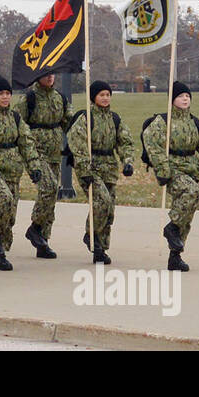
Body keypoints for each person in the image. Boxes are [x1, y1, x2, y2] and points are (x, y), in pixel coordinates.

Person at [140, 81, 199, 272]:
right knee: (193, 192)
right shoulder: (162, 122)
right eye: (181, 96)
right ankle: (171, 227)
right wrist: (163, 170)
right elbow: (152, 145)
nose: (185, 99)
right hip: (172, 170)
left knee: (186, 214)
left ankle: (175, 256)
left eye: (187, 96)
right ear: (172, 100)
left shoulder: (195, 123)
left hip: (191, 169)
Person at [0, 74, 40, 271]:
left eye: (7, 94)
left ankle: (0, 253)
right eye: (0, 94)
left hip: (13, 171)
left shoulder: (16, 118)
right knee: (3, 200)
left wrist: (34, 166)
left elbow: (26, 142)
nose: (5, 97)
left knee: (10, 213)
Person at [66, 81, 134, 264]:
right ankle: (91, 234)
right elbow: (77, 144)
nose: (105, 98)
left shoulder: (115, 119)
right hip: (91, 168)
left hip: (109, 168)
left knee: (109, 209)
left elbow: (125, 142)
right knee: (102, 201)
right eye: (101, 95)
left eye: (107, 95)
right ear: (93, 97)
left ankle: (100, 248)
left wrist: (127, 161)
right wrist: (84, 168)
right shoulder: (86, 118)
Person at [16, 73, 70, 258]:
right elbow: (18, 124)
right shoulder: (29, 98)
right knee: (49, 186)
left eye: (53, 74)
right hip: (36, 150)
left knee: (51, 196)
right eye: (46, 74)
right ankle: (36, 227)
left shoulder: (59, 98)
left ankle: (43, 239)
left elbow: (68, 121)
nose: (50, 78)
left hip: (55, 151)